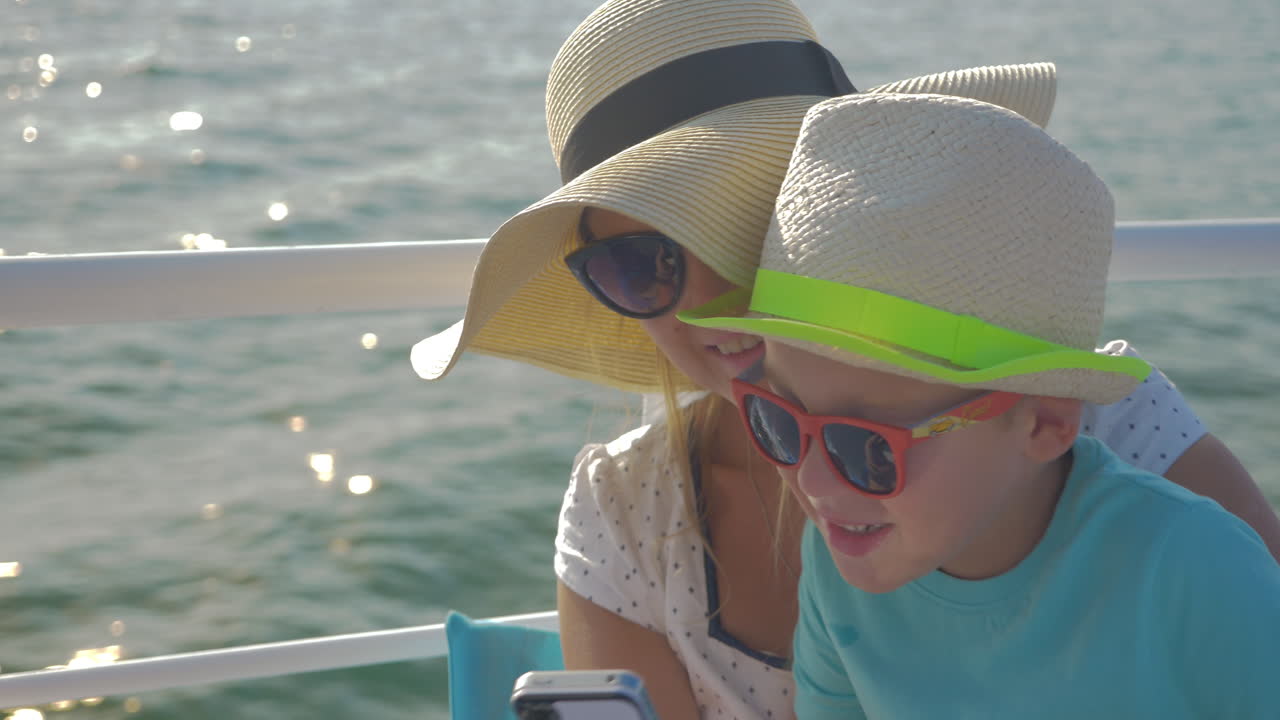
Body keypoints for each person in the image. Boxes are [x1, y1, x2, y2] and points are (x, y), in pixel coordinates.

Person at [409, 1, 1280, 718]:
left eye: (752, 222)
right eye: (640, 264)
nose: (707, 298)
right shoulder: (626, 518)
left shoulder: (1101, 420)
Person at [679, 91, 1280, 718]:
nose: (812, 481)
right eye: (777, 422)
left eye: (866, 448)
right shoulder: (842, 555)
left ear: (1046, 420)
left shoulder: (1195, 571)